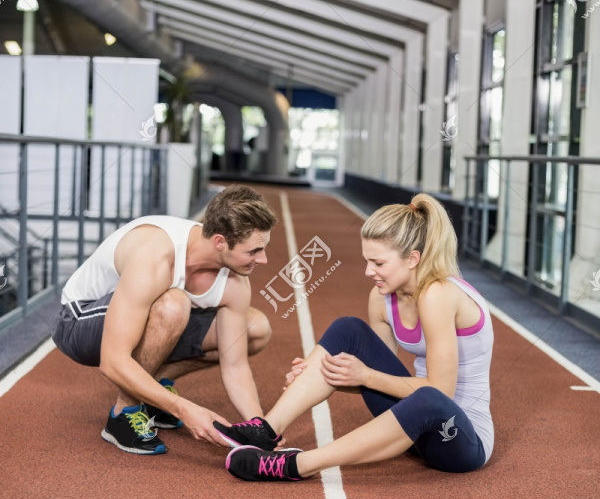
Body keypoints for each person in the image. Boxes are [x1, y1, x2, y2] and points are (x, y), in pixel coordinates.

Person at [218, 193, 494, 482]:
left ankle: (295, 465)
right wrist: (326, 373)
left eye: (378, 263)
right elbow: (374, 381)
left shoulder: (438, 294)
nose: (368, 272)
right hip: (414, 427)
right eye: (367, 261)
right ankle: (265, 431)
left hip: (460, 441)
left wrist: (364, 376)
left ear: (413, 259)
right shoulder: (382, 296)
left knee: (428, 398)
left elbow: (439, 391)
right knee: (348, 328)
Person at [51, 184, 278, 456]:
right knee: (174, 305)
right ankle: (124, 414)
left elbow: (235, 366)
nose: (263, 259)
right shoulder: (156, 256)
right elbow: (112, 361)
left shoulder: (236, 282)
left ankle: (153, 388)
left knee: (255, 328)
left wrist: (261, 427)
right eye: (254, 251)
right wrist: (182, 407)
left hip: (149, 322)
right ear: (220, 241)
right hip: (77, 322)